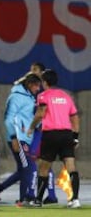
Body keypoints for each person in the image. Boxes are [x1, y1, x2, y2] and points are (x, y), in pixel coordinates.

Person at [27, 69, 81, 208]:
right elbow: (74, 117)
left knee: (43, 168)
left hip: (50, 135)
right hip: (66, 134)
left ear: (44, 82)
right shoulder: (66, 96)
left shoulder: (43, 96)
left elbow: (41, 113)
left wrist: (32, 127)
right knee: (71, 167)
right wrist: (75, 137)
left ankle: (38, 200)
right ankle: (74, 199)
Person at [0, 74, 41, 207]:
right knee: (28, 167)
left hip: (25, 138)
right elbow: (8, 118)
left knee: (23, 170)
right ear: (30, 84)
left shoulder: (29, 97)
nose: (38, 88)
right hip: (18, 138)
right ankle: (24, 199)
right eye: (36, 85)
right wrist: (14, 138)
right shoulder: (16, 97)